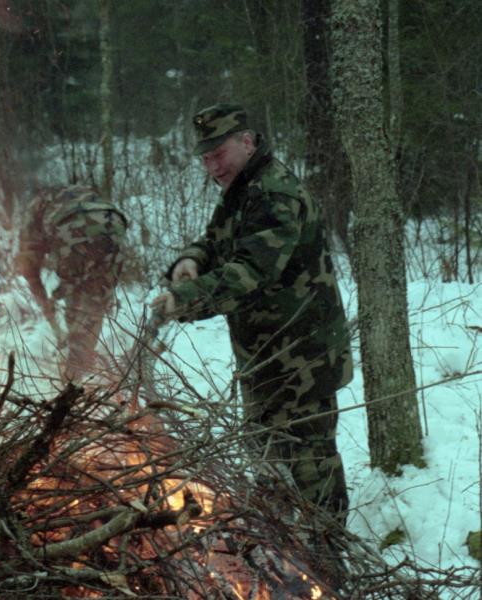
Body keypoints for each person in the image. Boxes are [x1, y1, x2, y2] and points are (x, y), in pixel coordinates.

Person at [151, 103, 352, 527]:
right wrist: (191, 260)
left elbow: (251, 272)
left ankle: (328, 553)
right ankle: (283, 550)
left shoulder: (275, 193)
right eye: (205, 158)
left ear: (246, 141)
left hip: (302, 359)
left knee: (310, 466)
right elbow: (216, 240)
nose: (212, 166)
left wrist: (184, 300)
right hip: (263, 357)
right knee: (267, 463)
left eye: (219, 154)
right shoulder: (243, 188)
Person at [15, 184, 127, 381]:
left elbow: (28, 265)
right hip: (114, 223)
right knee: (96, 298)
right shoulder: (76, 191)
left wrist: (45, 304)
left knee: (77, 303)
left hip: (73, 226)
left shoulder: (35, 207)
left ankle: (74, 376)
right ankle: (84, 360)